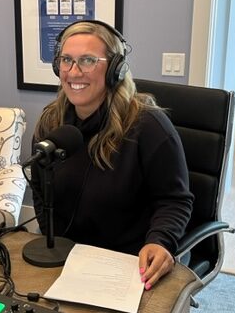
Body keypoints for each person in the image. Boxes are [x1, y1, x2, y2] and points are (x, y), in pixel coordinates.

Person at [31, 20, 193, 289]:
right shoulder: (51, 122)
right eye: (66, 60)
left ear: (116, 69)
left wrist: (160, 241)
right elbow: (39, 186)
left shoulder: (148, 126)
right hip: (66, 258)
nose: (73, 72)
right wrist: (53, 241)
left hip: (128, 263)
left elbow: (174, 200)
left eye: (88, 60)